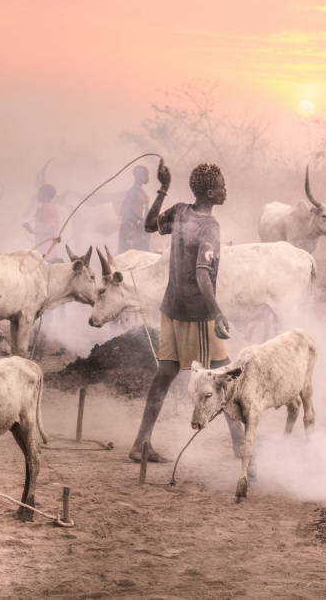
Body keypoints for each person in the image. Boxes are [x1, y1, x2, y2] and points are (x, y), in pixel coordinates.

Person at [129, 161, 243, 462]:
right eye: (221, 185)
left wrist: (163, 188)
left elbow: (148, 224)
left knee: (165, 374)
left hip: (171, 308)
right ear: (210, 192)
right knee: (228, 378)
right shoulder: (210, 226)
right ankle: (242, 448)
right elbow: (203, 272)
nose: (225, 189)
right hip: (196, 314)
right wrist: (216, 312)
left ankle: (141, 443)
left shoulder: (179, 211)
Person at [23, 183, 62, 261]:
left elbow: (50, 230)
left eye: (40, 193)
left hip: (47, 252)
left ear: (46, 195)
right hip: (45, 250)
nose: (38, 195)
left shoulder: (47, 208)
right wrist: (30, 229)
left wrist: (34, 230)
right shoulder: (46, 207)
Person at [118, 165, 151, 252]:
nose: (148, 177)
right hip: (133, 231)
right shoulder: (132, 191)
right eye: (146, 174)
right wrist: (138, 222)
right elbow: (124, 211)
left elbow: (145, 210)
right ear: (141, 176)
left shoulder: (142, 191)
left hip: (142, 229)